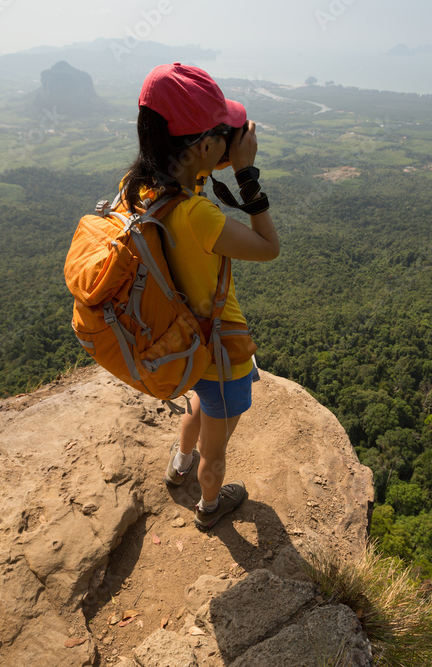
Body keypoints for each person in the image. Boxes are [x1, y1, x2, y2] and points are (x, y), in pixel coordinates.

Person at [121, 63, 280, 531]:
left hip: (182, 342)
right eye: (220, 133)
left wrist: (213, 159)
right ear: (206, 145)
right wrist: (246, 173)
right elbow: (269, 248)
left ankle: (178, 466)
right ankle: (210, 506)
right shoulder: (198, 215)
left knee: (198, 402)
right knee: (219, 444)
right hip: (220, 351)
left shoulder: (143, 191)